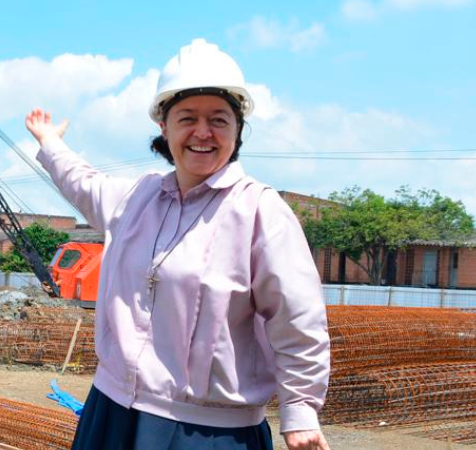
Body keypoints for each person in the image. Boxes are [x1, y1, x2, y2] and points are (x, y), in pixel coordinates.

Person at [26, 39, 331, 450]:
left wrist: (300, 410)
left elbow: (297, 318)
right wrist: (49, 143)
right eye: (187, 117)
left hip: (210, 430)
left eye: (219, 119)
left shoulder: (260, 211)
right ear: (163, 126)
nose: (202, 132)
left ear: (238, 129)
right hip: (113, 410)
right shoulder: (137, 198)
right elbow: (82, 182)